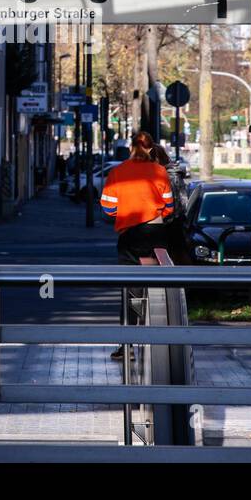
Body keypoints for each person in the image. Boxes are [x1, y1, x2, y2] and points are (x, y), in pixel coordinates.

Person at [101, 132, 175, 359]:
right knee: (155, 283)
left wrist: (124, 213)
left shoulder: (117, 172)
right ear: (151, 149)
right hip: (155, 232)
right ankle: (158, 333)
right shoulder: (160, 171)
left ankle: (128, 345)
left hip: (130, 234)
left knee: (129, 287)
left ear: (131, 148)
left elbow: (108, 208)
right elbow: (169, 206)